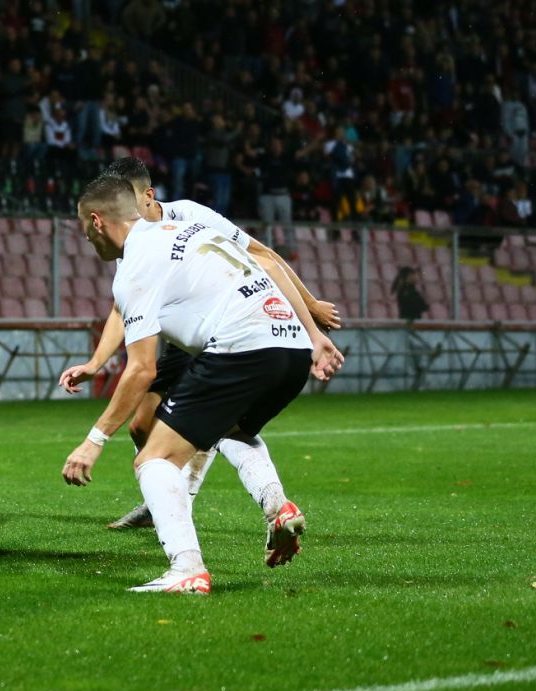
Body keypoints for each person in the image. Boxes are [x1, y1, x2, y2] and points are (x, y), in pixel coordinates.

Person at [61, 175, 344, 592]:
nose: (86, 238)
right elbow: (265, 261)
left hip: (239, 348)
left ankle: (187, 569)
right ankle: (276, 507)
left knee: (154, 459)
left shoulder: (137, 262)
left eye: (84, 228)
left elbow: (141, 370)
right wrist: (313, 333)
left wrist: (94, 440)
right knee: (232, 431)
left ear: (97, 221)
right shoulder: (187, 228)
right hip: (290, 347)